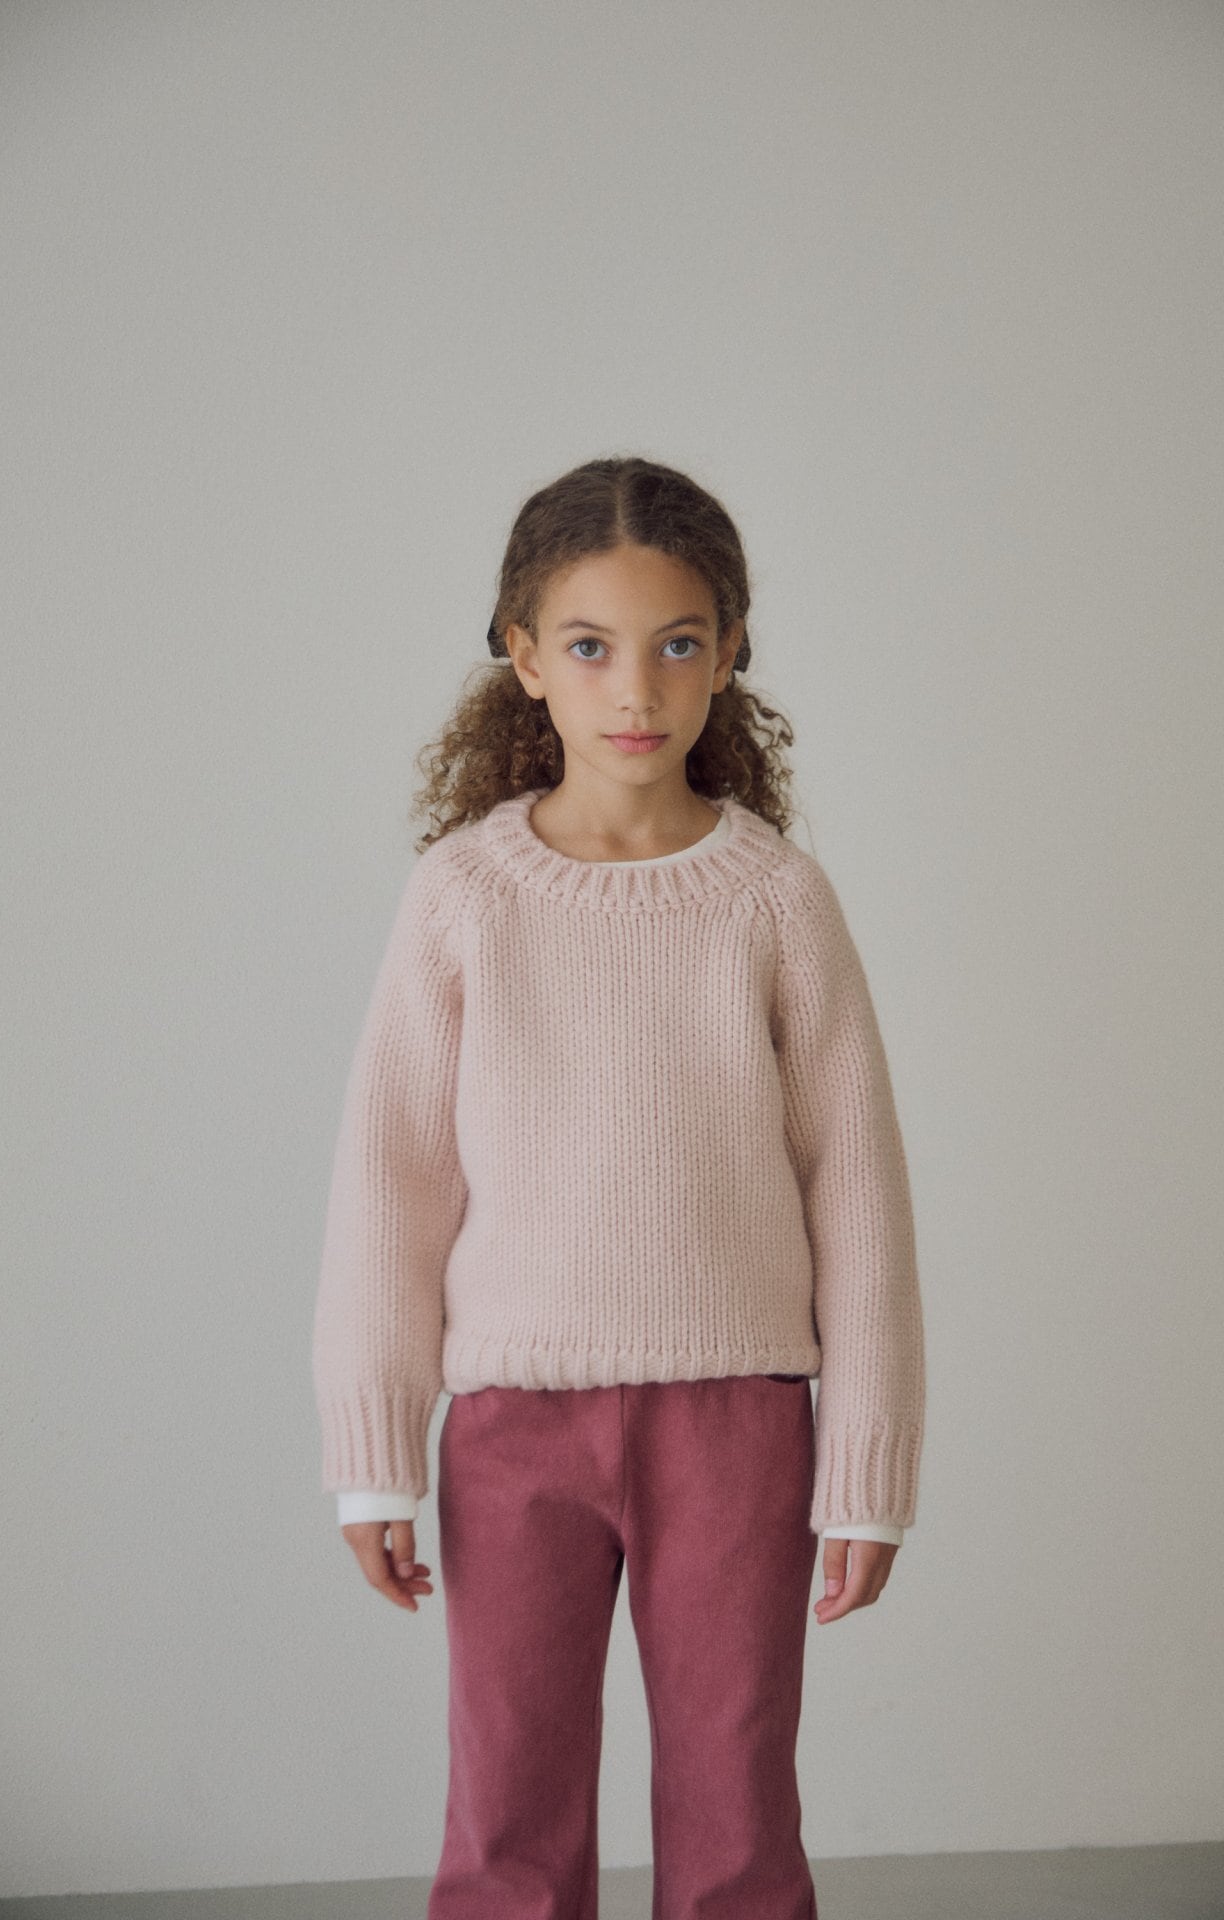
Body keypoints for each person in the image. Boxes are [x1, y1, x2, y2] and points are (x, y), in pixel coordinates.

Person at [312, 454, 926, 1919]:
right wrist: (374, 1453)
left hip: (737, 1424)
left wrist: (870, 1472)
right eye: (589, 646)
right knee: (508, 1815)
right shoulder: (464, 897)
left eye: (677, 643)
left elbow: (857, 1193)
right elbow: (390, 1182)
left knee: (736, 1813)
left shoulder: (776, 900)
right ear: (525, 657)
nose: (635, 688)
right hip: (514, 1429)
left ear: (730, 653)